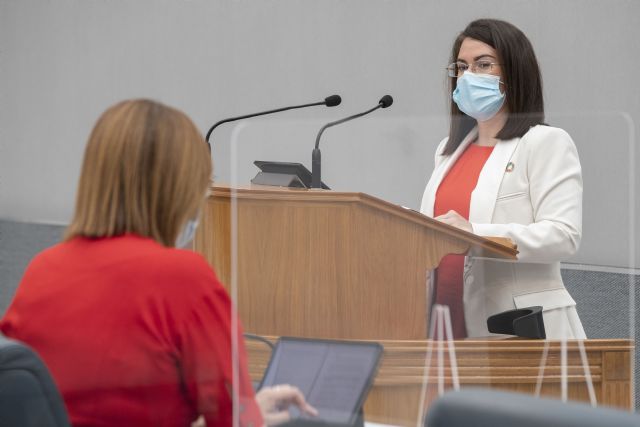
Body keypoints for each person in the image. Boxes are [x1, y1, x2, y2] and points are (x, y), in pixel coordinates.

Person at [0, 99, 317, 426]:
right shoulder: (182, 278)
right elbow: (232, 420)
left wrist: (250, 408)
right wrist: (250, 414)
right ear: (180, 191)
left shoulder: (42, 269)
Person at [420, 19, 586, 339]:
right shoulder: (447, 151)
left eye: (483, 65)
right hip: (443, 322)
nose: (469, 76)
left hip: (514, 327)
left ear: (514, 72)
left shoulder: (544, 142)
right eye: (462, 67)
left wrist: (476, 233)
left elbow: (563, 235)